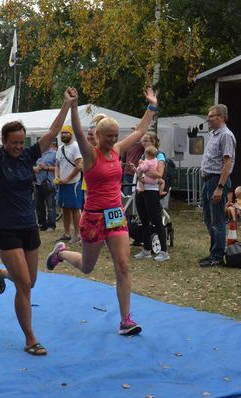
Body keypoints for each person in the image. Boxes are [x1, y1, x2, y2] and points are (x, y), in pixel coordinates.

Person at [46, 86, 158, 336]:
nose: (114, 140)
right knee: (87, 267)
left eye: (116, 135)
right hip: (94, 217)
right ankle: (62, 253)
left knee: (123, 265)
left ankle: (125, 320)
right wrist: (73, 106)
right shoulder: (90, 153)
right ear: (98, 136)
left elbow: (140, 131)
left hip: (115, 215)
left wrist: (151, 105)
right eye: (110, 136)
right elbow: (76, 129)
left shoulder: (117, 151)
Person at [0, 88, 75, 357]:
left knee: (30, 282)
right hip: (5, 229)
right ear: (5, 141)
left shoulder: (28, 156)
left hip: (29, 226)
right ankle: (30, 338)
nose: (18, 146)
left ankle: (0, 273)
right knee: (24, 285)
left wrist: (67, 104)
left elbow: (53, 130)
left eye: (21, 141)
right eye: (13, 142)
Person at [198, 104, 236, 268]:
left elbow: (228, 163)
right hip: (208, 179)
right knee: (208, 218)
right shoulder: (214, 134)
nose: (208, 119)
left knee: (217, 219)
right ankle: (214, 251)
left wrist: (220, 187)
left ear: (221, 117)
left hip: (216, 180)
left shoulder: (226, 135)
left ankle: (218, 255)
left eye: (211, 116)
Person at [133, 132, 170, 262]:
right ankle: (146, 249)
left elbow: (159, 174)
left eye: (147, 141)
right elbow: (139, 172)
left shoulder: (159, 155)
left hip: (152, 191)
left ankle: (164, 251)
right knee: (143, 220)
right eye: (143, 141)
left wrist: (143, 169)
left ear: (154, 142)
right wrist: (139, 171)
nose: (144, 143)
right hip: (141, 189)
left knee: (156, 220)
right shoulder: (144, 155)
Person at [55, 124, 83, 243]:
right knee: (65, 208)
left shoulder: (76, 147)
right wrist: (57, 176)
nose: (64, 135)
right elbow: (57, 164)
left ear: (71, 134)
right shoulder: (60, 148)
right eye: (62, 133)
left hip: (73, 182)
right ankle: (67, 233)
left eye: (66, 133)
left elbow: (78, 166)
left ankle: (77, 234)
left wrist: (67, 178)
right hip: (62, 183)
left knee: (75, 209)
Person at [33, 139, 58, 231]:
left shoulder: (54, 154)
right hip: (38, 182)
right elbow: (31, 165)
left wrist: (46, 168)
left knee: (50, 206)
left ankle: (51, 225)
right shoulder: (37, 153)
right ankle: (42, 224)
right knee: (39, 206)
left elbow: (58, 168)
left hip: (49, 182)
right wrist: (35, 168)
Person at [121, 127, 144, 196]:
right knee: (126, 196)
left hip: (138, 174)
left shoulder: (141, 145)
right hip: (127, 174)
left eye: (136, 132)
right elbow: (123, 160)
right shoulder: (128, 146)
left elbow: (146, 138)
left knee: (136, 196)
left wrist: (139, 130)